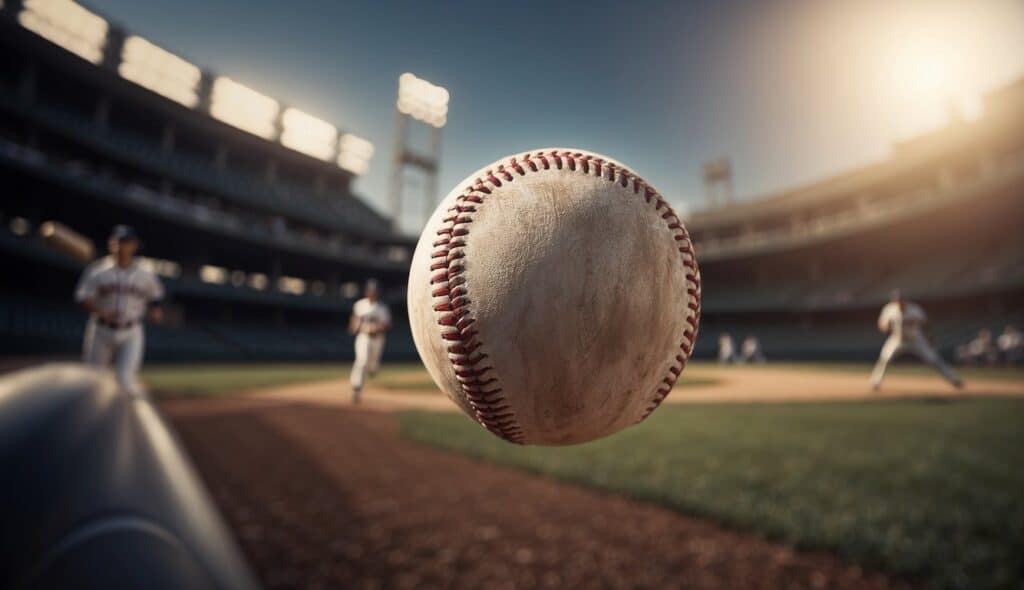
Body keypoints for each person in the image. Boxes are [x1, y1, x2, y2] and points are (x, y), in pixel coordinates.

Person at [75, 225, 164, 396]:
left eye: (125, 242)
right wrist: (101, 311)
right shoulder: (97, 270)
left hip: (131, 332)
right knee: (93, 381)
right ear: (111, 244)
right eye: (117, 241)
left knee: (125, 380)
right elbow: (82, 297)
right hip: (101, 330)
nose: (121, 246)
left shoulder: (146, 273)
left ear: (134, 245)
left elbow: (156, 294)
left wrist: (156, 310)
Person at [870, 290, 962, 391]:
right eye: (896, 300)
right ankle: (876, 382)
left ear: (905, 300)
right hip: (897, 339)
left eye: (900, 299)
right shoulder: (889, 309)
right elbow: (882, 325)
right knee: (885, 358)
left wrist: (930, 338)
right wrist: (885, 326)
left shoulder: (914, 309)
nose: (899, 302)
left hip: (916, 339)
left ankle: (953, 379)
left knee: (934, 359)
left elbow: (926, 324)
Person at [348, 279, 391, 403]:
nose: (373, 292)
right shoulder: (360, 305)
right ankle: (356, 389)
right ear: (366, 291)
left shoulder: (382, 308)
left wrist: (378, 327)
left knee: (372, 367)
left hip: (378, 340)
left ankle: (372, 370)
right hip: (364, 337)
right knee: (361, 361)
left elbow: (387, 325)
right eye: (371, 290)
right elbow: (353, 323)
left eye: (375, 291)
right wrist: (355, 326)